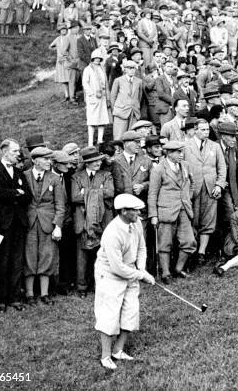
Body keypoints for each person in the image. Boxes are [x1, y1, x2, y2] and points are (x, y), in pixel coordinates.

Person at [94, 193, 155, 370]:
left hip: (131, 270)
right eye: (134, 210)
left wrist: (142, 269)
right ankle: (105, 356)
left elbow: (142, 248)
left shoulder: (135, 223)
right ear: (123, 211)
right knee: (110, 314)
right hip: (110, 274)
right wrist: (141, 275)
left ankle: (118, 350)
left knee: (131, 311)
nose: (138, 213)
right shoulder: (112, 233)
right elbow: (117, 267)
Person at [0, 139, 32, 313]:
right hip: (3, 223)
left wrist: (15, 194)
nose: (18, 154)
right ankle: (0, 300)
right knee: (2, 261)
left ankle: (14, 298)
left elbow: (28, 196)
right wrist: (16, 193)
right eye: (14, 152)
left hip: (19, 222)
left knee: (16, 261)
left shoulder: (19, 172)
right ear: (5, 152)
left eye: (18, 152)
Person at [22, 147, 66, 305]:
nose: (49, 162)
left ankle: (44, 294)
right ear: (34, 160)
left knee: (47, 256)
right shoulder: (24, 176)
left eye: (50, 159)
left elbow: (60, 205)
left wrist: (58, 226)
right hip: (29, 223)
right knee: (29, 256)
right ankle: (29, 294)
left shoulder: (54, 178)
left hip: (48, 223)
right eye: (46, 159)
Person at [147, 140, 196, 282]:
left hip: (184, 209)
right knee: (164, 243)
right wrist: (154, 215)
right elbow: (152, 193)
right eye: (178, 152)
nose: (181, 154)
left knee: (189, 242)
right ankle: (165, 273)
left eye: (182, 151)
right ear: (169, 153)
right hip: (166, 211)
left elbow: (192, 183)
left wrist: (187, 197)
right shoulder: (159, 169)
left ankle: (178, 269)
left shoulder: (185, 166)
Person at [71, 146, 115, 297]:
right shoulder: (76, 176)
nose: (97, 163)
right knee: (82, 254)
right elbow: (74, 197)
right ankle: (82, 286)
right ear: (87, 163)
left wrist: (87, 193)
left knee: (101, 253)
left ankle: (100, 285)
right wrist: (98, 192)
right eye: (94, 161)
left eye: (99, 160)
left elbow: (110, 193)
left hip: (103, 219)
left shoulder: (106, 175)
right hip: (82, 219)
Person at [184, 119, 227, 265]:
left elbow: (222, 167)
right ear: (195, 130)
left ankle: (201, 252)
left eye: (207, 129)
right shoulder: (185, 146)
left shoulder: (214, 146)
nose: (206, 132)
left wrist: (219, 185)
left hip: (210, 189)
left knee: (208, 221)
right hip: (193, 189)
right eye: (203, 130)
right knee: (192, 219)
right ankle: (191, 251)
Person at [82, 49, 111, 146]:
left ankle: (100, 139)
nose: (97, 60)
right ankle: (90, 142)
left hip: (102, 97)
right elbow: (85, 82)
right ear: (92, 58)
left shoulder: (102, 68)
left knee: (102, 118)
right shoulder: (88, 69)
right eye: (96, 58)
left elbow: (105, 82)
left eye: (99, 58)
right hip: (93, 97)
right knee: (92, 120)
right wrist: (91, 93)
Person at [110, 61, 143, 140]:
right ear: (125, 69)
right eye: (129, 68)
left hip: (134, 111)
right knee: (119, 136)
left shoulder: (139, 81)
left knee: (133, 136)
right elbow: (113, 97)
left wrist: (136, 106)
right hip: (121, 111)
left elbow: (139, 96)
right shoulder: (118, 80)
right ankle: (118, 151)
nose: (132, 70)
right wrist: (116, 109)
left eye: (133, 68)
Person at [50, 24, 73, 103]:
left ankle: (72, 95)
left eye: (65, 29)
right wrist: (58, 49)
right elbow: (50, 46)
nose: (63, 31)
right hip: (60, 61)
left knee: (69, 78)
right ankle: (67, 95)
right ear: (59, 31)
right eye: (62, 30)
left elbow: (71, 49)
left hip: (67, 60)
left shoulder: (69, 38)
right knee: (63, 79)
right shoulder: (58, 39)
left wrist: (66, 53)